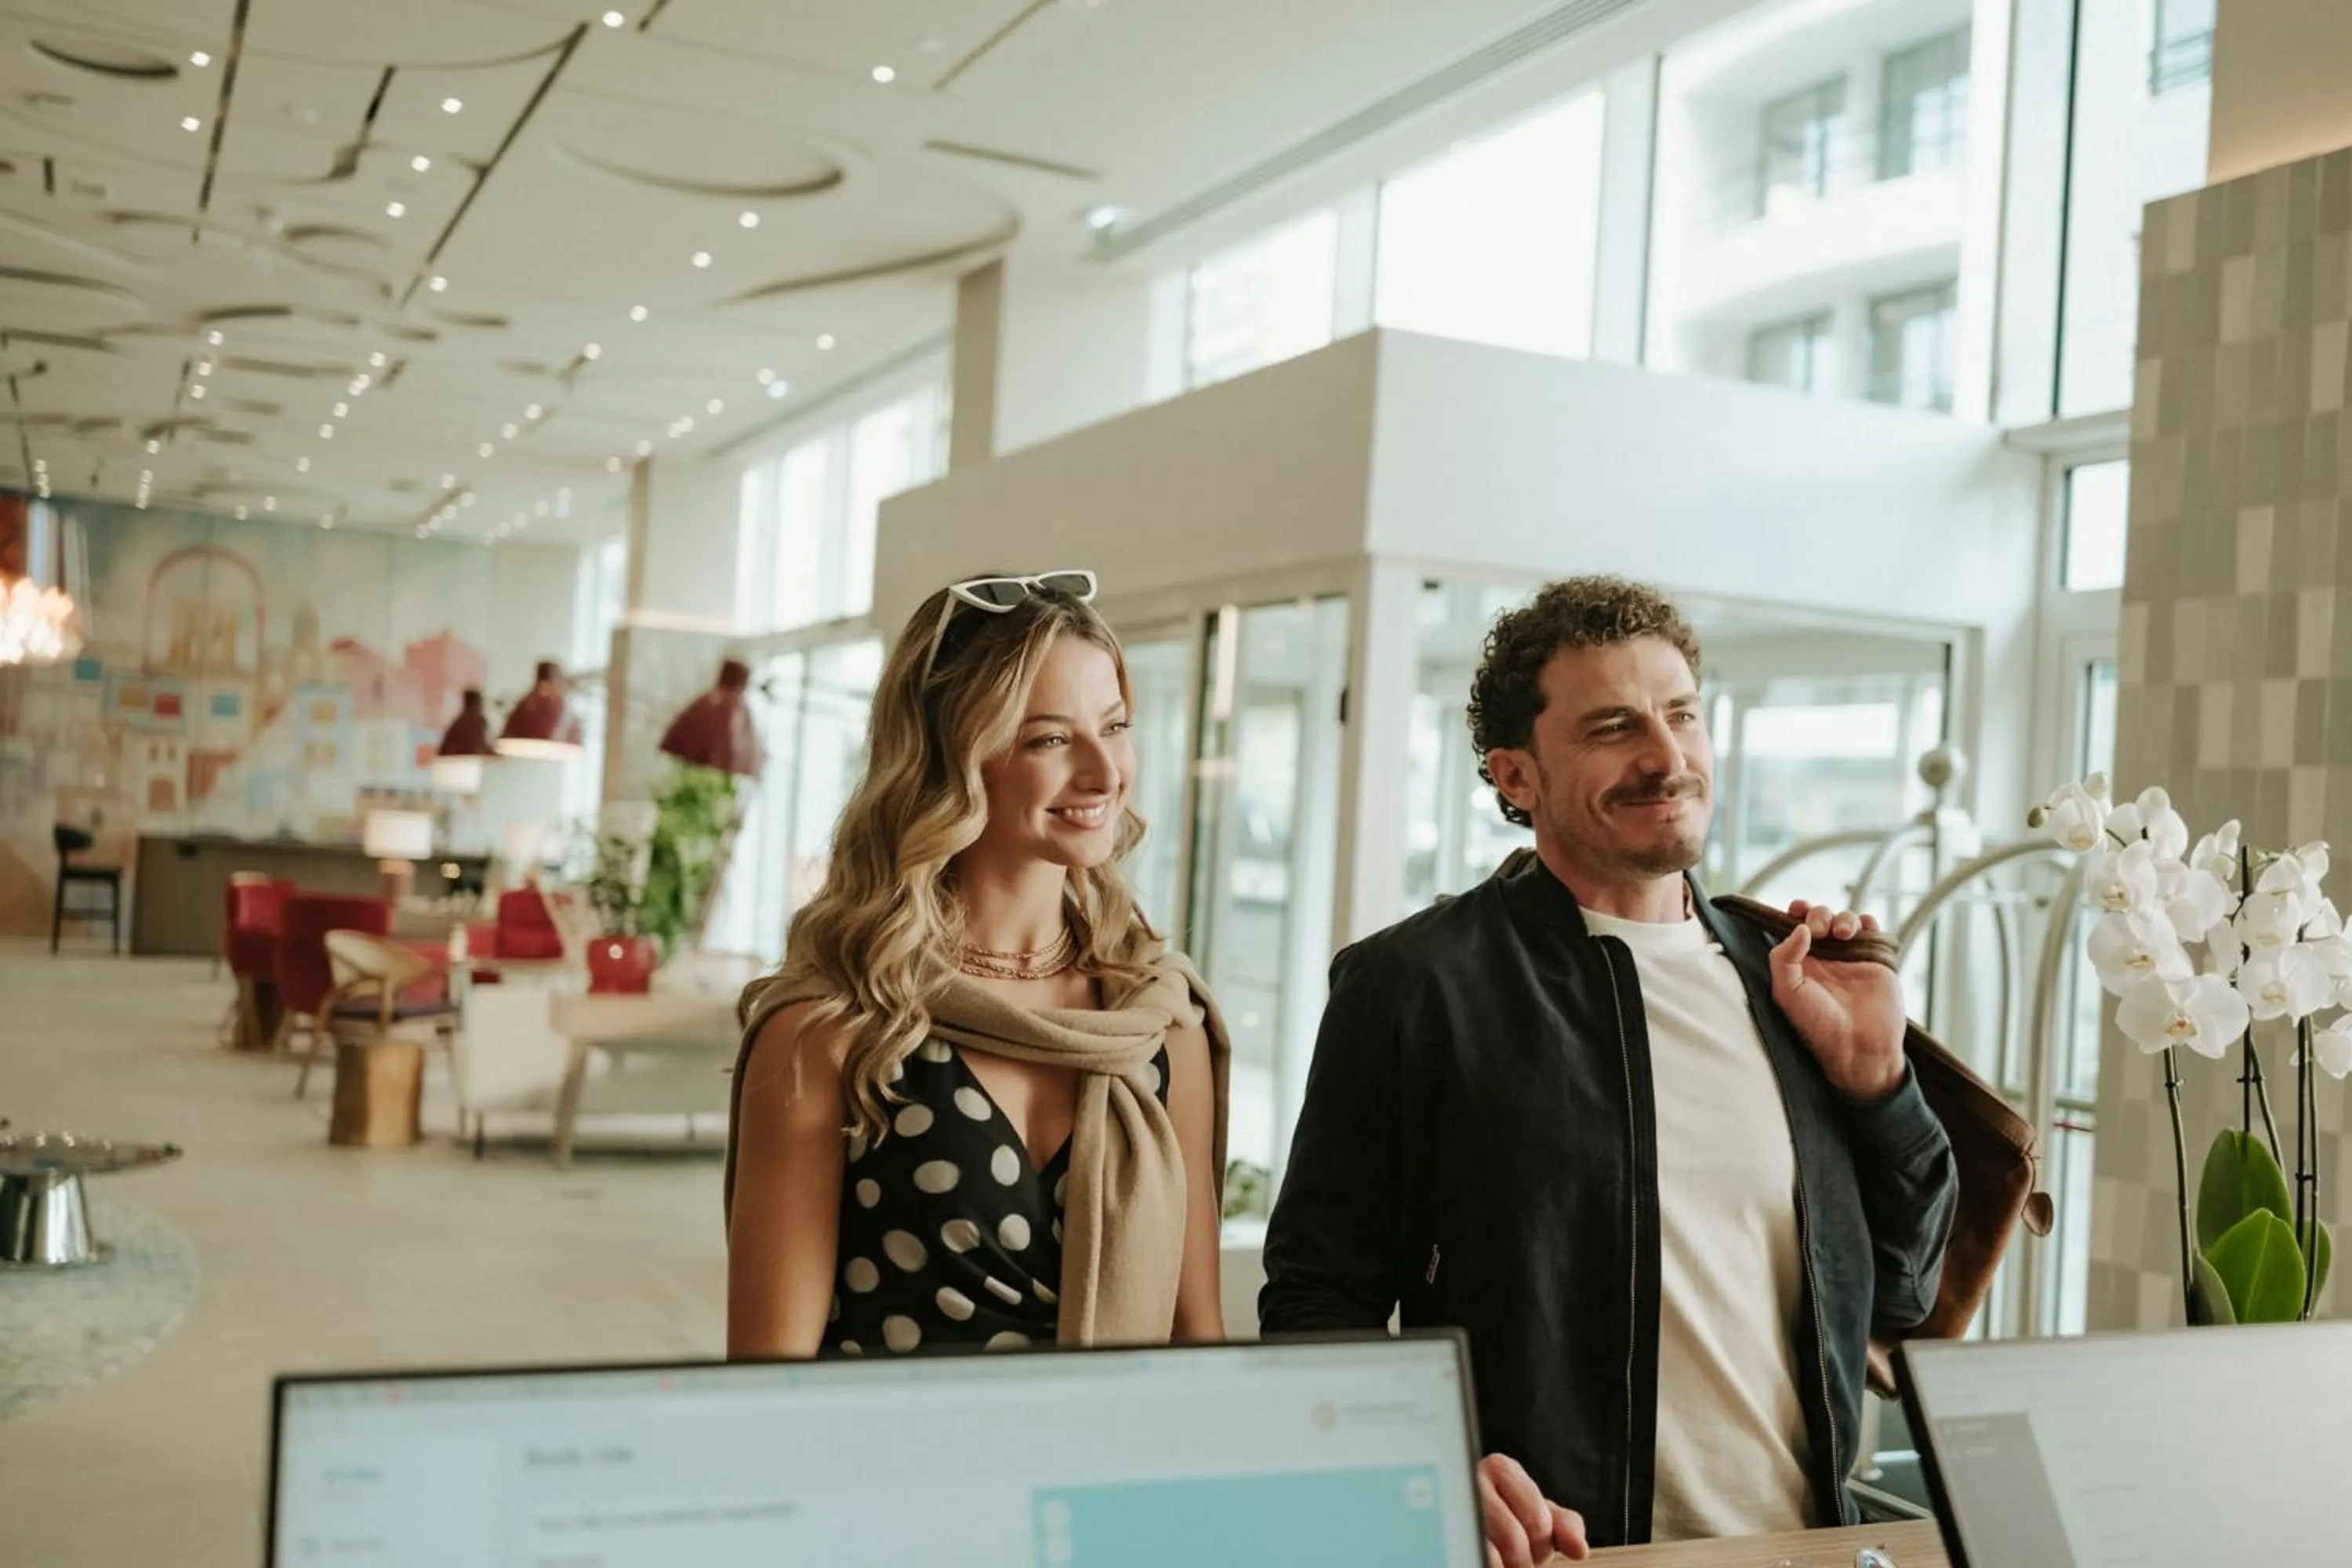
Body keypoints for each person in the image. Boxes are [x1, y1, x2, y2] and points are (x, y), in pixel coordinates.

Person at [1259, 575, 1958, 1563]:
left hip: (1801, 1548)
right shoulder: (1414, 986)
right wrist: (1420, 1456)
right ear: (1517, 775)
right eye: (1614, 727)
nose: (1666, 758)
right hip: (1557, 1557)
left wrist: (1878, 1081)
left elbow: (1901, 1291)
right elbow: (1314, 1300)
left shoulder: (1788, 983)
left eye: (1681, 715)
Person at [727, 570, 1230, 1359]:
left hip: (1109, 1473)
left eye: (1116, 725)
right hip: (893, 1474)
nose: (1105, 772)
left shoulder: (1160, 1027)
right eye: (1051, 738)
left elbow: (1197, 1339)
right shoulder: (831, 1030)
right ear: (952, 757)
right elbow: (767, 1379)